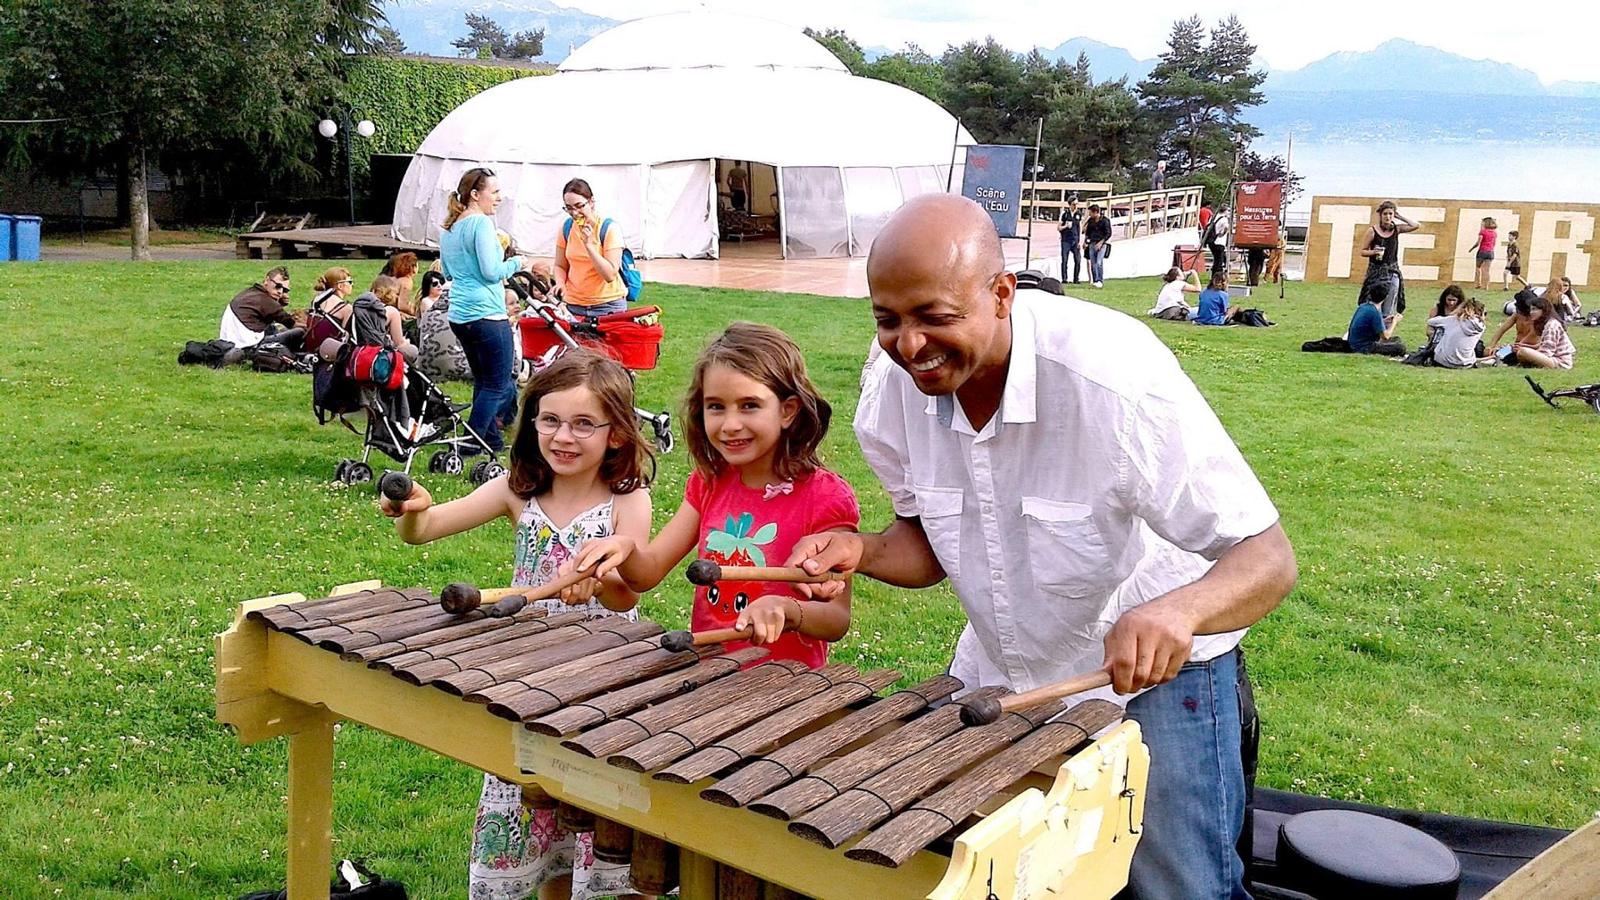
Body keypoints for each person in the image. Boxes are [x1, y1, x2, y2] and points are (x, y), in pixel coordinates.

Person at [785, 194, 1296, 900]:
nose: (910, 346)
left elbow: (1268, 557)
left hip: (1157, 677)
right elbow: (926, 546)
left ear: (1002, 293)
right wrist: (862, 549)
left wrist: (1179, 612)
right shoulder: (891, 392)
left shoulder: (1113, 377)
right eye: (888, 320)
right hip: (1003, 673)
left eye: (934, 316)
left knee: (1180, 887)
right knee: (1003, 875)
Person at [382, 350, 654, 900]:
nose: (564, 437)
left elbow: (629, 594)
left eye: (584, 424)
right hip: (527, 677)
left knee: (587, 814)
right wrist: (415, 508)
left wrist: (601, 581)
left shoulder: (628, 500)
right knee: (536, 809)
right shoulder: (517, 489)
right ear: (532, 423)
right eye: (550, 420)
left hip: (599, 678)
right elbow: (425, 530)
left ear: (617, 435)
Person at [569, 322, 860, 667]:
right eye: (716, 407)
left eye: (749, 405)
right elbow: (647, 573)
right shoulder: (710, 482)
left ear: (787, 410)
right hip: (713, 672)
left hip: (787, 682)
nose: (730, 424)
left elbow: (837, 618)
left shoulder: (825, 497)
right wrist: (625, 549)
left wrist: (788, 610)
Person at [440, 167, 525, 455]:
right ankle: (470, 442)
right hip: (487, 314)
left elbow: (448, 272)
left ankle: (491, 441)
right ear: (475, 194)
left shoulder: (450, 227)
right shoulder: (481, 224)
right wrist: (517, 263)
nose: (499, 198)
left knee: (484, 381)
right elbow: (491, 272)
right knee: (498, 384)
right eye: (495, 192)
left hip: (460, 315)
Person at [555, 178, 629, 318]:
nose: (575, 213)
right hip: (574, 304)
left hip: (607, 305)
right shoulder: (566, 228)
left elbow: (609, 275)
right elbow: (560, 265)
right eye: (569, 208)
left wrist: (589, 246)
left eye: (579, 206)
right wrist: (560, 283)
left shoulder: (609, 228)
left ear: (591, 202)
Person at [219, 265, 305, 352]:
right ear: (267, 280)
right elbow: (291, 323)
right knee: (299, 332)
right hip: (248, 347)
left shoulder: (251, 292)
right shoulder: (267, 302)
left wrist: (279, 303)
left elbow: (269, 316)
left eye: (285, 290)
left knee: (272, 328)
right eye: (278, 286)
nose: (280, 292)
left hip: (228, 343)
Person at [1359, 201, 1419, 320]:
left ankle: (1385, 324)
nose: (1388, 217)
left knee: (1390, 300)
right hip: (1376, 271)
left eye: (1390, 214)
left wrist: (1399, 216)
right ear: (1380, 215)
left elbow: (1415, 225)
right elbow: (1363, 251)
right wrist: (1374, 252)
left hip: (1392, 271)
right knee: (1372, 302)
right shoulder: (1372, 231)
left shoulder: (1397, 229)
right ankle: (1372, 322)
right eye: (1385, 214)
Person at [416, 270, 471, 381]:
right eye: (435, 284)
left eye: (441, 283)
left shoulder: (445, 302)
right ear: (427, 287)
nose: (439, 286)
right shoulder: (427, 302)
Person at [1505, 293, 1575, 369]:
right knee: (1522, 351)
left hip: (1560, 362)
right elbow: (1542, 345)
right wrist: (1523, 346)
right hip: (1552, 359)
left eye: (1534, 309)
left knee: (1523, 352)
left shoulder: (1551, 325)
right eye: (1531, 309)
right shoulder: (1545, 324)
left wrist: (1528, 352)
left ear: (1544, 310)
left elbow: (1547, 352)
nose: (1531, 312)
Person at [305, 266, 356, 358]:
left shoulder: (317, 300)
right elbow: (347, 337)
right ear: (340, 286)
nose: (352, 285)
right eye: (350, 282)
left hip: (311, 347)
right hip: (329, 352)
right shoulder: (346, 308)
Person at [1348, 285, 1406, 356]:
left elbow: (1370, 324)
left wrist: (1385, 320)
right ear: (1385, 297)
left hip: (1354, 343)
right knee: (1400, 348)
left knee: (1397, 339)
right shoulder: (1375, 312)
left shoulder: (1363, 306)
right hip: (1364, 347)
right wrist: (1394, 322)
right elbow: (1386, 336)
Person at [1429, 297, 1486, 368]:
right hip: (1465, 363)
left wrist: (1454, 313)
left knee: (1440, 330)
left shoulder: (1452, 319)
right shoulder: (1481, 326)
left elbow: (1431, 321)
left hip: (1443, 361)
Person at [380, 251, 420, 316]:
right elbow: (402, 305)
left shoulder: (395, 278)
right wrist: (417, 312)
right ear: (413, 267)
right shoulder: (406, 281)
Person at [1463, 216, 1496, 291]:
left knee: (1478, 268)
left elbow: (1478, 243)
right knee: (1487, 270)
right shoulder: (1494, 233)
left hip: (1482, 251)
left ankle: (1478, 284)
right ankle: (1486, 286)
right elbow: (1494, 243)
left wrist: (1471, 249)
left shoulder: (1482, 232)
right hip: (1490, 252)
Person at [1056, 195, 1084, 285]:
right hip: (1066, 240)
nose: (1075, 206)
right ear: (1069, 204)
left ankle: (1076, 278)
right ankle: (1064, 278)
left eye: (1076, 204)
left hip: (1075, 240)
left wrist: (1079, 241)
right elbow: (1058, 227)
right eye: (1073, 204)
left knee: (1078, 260)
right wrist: (1065, 226)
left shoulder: (1079, 214)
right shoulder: (1065, 214)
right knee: (1064, 260)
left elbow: (1079, 228)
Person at [1084, 203, 1112, 288]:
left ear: (1096, 212)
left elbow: (1108, 233)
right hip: (1092, 243)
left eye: (1091, 212)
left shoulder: (1105, 221)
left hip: (1102, 243)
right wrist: (1086, 242)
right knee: (1093, 262)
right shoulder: (1091, 221)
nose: (1089, 214)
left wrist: (1101, 242)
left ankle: (1100, 280)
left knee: (1099, 261)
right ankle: (1095, 280)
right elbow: (1088, 233)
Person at [1206, 204, 1232, 278]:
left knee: (1216, 259)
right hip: (1220, 241)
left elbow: (1208, 226)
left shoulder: (1213, 217)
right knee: (1219, 261)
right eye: (1228, 211)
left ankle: (1214, 276)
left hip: (1212, 241)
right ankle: (1218, 277)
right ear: (1225, 211)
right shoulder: (1224, 219)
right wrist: (1223, 233)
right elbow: (1226, 228)